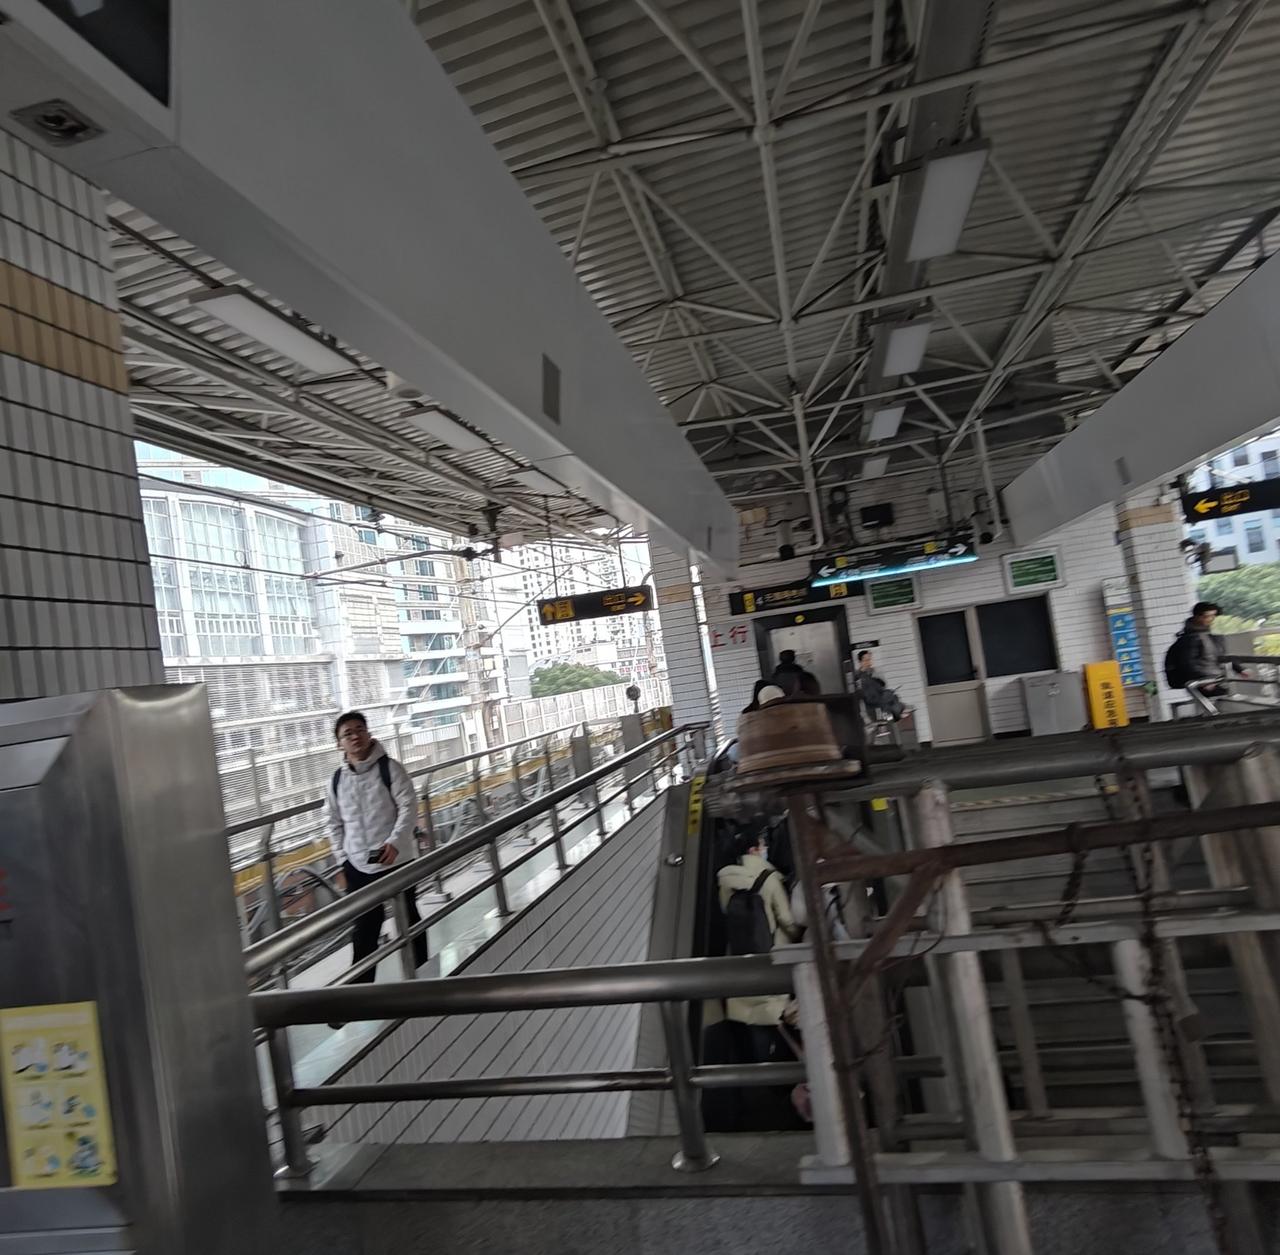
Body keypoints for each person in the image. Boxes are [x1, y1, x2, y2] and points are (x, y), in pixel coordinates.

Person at [326, 710, 428, 985]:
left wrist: (395, 842)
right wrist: (342, 860)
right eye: (347, 734)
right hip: (357, 864)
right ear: (339, 744)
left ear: (369, 733)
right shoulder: (336, 780)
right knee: (364, 928)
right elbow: (332, 822)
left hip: (396, 858)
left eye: (360, 730)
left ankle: (422, 977)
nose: (355, 737)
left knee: (408, 917)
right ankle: (360, 991)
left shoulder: (390, 769)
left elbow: (408, 807)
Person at [1165, 601, 1246, 696]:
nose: (1211, 619)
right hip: (1202, 681)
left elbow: (1220, 655)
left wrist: (1239, 669)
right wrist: (1204, 680)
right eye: (1207, 616)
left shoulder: (1210, 634)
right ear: (1197, 617)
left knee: (1225, 697)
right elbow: (1187, 662)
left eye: (1214, 616)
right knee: (1224, 697)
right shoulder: (1190, 639)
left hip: (1211, 679)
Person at [855, 649, 905, 721]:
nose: (869, 663)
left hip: (882, 705)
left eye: (870, 660)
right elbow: (863, 697)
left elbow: (882, 687)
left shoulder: (874, 673)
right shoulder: (858, 677)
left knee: (894, 698)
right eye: (866, 660)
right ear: (860, 662)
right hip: (872, 707)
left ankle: (894, 715)